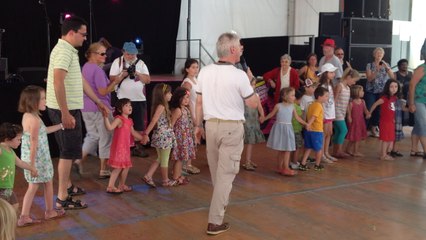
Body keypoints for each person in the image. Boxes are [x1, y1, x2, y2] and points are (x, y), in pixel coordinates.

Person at [194, 32, 258, 235]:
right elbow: (252, 103)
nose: (241, 49)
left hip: (210, 126)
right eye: (239, 46)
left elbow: (199, 102)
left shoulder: (204, 71)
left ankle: (219, 207)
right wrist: (252, 82)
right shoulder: (239, 75)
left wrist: (198, 126)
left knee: (218, 175)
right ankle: (214, 221)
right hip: (231, 128)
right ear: (231, 49)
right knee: (225, 175)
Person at [46, 16, 107, 210]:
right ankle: (62, 197)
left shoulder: (69, 51)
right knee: (66, 153)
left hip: (70, 107)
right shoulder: (64, 51)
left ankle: (68, 186)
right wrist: (65, 113)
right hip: (64, 109)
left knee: (71, 151)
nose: (85, 38)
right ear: (71, 33)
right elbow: (57, 82)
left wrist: (98, 101)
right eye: (83, 34)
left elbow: (80, 81)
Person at [18, 86, 66, 227]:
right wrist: (31, 166)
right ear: (34, 101)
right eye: (43, 98)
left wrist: (61, 126)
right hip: (38, 159)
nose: (46, 101)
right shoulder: (34, 120)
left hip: (38, 158)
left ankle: (47, 211)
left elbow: (43, 132)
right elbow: (33, 143)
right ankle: (26, 216)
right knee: (35, 186)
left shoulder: (30, 116)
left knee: (46, 182)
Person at [76, 42, 115, 179]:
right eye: (102, 53)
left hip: (86, 107)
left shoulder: (86, 67)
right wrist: (117, 81)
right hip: (100, 108)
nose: (105, 56)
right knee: (106, 137)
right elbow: (103, 91)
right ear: (92, 54)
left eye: (106, 53)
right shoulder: (97, 70)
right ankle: (104, 169)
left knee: (93, 135)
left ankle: (79, 160)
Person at [110, 42, 151, 158]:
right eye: (128, 54)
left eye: (133, 54)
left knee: (139, 125)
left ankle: (137, 147)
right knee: (122, 124)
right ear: (123, 52)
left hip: (139, 99)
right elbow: (111, 78)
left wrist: (137, 73)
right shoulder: (117, 62)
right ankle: (123, 146)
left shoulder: (141, 63)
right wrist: (122, 75)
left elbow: (148, 80)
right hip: (123, 99)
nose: (131, 57)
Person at [104, 98, 144, 194]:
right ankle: (110, 186)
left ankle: (122, 185)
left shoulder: (129, 120)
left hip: (126, 148)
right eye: (126, 105)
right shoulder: (119, 119)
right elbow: (110, 127)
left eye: (130, 105)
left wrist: (143, 138)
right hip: (119, 148)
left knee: (126, 166)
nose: (129, 107)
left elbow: (133, 132)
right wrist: (105, 117)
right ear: (120, 109)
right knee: (118, 167)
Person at [264, 87, 306, 176]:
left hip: (288, 129)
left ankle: (283, 167)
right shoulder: (278, 106)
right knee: (284, 150)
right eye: (293, 95)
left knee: (286, 149)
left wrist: (305, 123)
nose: (294, 97)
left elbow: (297, 117)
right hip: (280, 128)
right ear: (286, 96)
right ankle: (284, 168)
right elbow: (271, 114)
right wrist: (264, 119)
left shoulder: (292, 106)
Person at [142, 83, 177, 187]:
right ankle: (165, 180)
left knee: (160, 158)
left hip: (160, 134)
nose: (171, 95)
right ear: (163, 94)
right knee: (164, 159)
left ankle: (148, 175)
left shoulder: (161, 106)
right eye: (169, 92)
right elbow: (154, 121)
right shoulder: (161, 106)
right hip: (164, 136)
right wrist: (146, 134)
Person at [0, 123, 38, 211]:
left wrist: (32, 168)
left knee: (15, 205)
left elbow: (20, 163)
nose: (20, 142)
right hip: (1, 188)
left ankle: (7, 223)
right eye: (18, 139)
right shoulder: (1, 150)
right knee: (4, 210)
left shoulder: (11, 152)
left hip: (8, 187)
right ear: (7, 139)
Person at [365, 47, 394, 137]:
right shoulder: (369, 65)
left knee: (378, 111)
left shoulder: (386, 65)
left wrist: (387, 68)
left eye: (381, 53)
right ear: (374, 55)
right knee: (369, 108)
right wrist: (377, 69)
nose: (379, 55)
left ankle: (374, 128)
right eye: (377, 53)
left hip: (382, 92)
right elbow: (369, 79)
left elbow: (392, 77)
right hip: (371, 91)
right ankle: (364, 129)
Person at [368, 79, 400, 161]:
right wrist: (369, 113)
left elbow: (393, 110)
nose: (394, 89)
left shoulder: (394, 98)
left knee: (388, 138)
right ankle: (383, 155)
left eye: (396, 87)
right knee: (385, 139)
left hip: (391, 122)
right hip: (385, 122)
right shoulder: (384, 98)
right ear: (387, 87)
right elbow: (375, 104)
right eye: (392, 87)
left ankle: (383, 153)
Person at [299, 87, 330, 171]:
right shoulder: (318, 105)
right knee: (319, 149)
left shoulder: (311, 104)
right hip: (316, 131)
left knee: (308, 147)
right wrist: (308, 124)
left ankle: (303, 163)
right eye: (326, 96)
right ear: (320, 97)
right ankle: (317, 164)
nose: (327, 98)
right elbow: (314, 116)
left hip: (309, 131)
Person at [332, 68, 359, 158]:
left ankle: (335, 150)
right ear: (348, 77)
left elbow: (347, 103)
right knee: (344, 130)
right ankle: (338, 151)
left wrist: (349, 114)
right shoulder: (340, 86)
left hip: (342, 113)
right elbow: (334, 100)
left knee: (338, 131)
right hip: (337, 112)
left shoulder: (347, 88)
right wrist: (331, 112)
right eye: (354, 80)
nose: (354, 83)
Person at [170, 87, 195, 184]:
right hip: (180, 137)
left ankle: (179, 174)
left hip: (185, 136)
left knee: (182, 158)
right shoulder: (178, 110)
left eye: (188, 98)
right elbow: (172, 124)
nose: (186, 100)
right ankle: (176, 177)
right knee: (179, 158)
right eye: (184, 98)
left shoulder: (185, 109)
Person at [180, 59, 201, 175]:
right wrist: (192, 117)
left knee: (194, 139)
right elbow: (186, 101)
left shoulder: (196, 81)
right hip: (191, 114)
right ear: (187, 69)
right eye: (193, 67)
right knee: (189, 140)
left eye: (197, 67)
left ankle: (188, 163)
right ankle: (186, 165)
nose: (195, 69)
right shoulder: (187, 83)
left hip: (197, 113)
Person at [242, 78, 265, 171]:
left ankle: (248, 160)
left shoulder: (256, 95)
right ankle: (244, 161)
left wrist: (262, 115)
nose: (253, 86)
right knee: (243, 142)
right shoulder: (243, 96)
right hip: (245, 122)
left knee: (251, 142)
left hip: (253, 121)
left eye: (254, 84)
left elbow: (259, 106)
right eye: (251, 84)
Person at [408, 38, 426, 159]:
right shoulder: (422, 68)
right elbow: (412, 85)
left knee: (418, 124)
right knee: (423, 124)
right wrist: (411, 103)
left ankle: (414, 149)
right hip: (418, 99)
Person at [318, 63, 338, 163]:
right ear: (326, 73)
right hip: (325, 114)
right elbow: (321, 102)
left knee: (329, 133)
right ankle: (321, 155)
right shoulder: (323, 86)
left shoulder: (330, 85)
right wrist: (323, 115)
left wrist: (332, 114)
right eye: (331, 72)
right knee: (324, 134)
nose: (333, 74)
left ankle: (326, 152)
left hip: (330, 113)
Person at [346, 85, 369, 157]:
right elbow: (349, 112)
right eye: (361, 91)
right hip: (354, 122)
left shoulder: (363, 101)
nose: (363, 92)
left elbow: (365, 110)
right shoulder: (351, 102)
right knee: (355, 137)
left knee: (356, 137)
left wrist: (368, 113)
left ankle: (349, 150)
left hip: (360, 122)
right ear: (356, 92)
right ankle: (354, 151)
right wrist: (349, 117)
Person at [290, 89, 304, 170]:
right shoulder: (297, 107)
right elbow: (299, 118)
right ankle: (294, 162)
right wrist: (305, 124)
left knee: (292, 147)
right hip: (297, 130)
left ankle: (291, 161)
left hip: (291, 129)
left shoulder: (290, 106)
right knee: (297, 147)